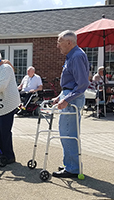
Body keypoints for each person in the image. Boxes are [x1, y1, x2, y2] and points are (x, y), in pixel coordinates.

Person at [52, 30, 89, 178]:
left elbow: (82, 84)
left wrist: (66, 99)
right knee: (66, 132)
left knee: (68, 134)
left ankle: (72, 168)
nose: (57, 45)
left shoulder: (77, 56)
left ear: (69, 42)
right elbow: (71, 83)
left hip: (72, 99)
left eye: (59, 42)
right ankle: (70, 163)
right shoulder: (73, 56)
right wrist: (60, 96)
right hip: (68, 95)